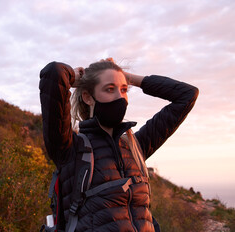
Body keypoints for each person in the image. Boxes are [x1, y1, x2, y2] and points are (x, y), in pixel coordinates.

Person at [39, 58, 199, 231]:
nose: (120, 97)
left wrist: (128, 78)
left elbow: (187, 95)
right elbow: (54, 73)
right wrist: (75, 76)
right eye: (110, 89)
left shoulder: (135, 147)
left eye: (124, 90)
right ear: (87, 97)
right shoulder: (71, 148)